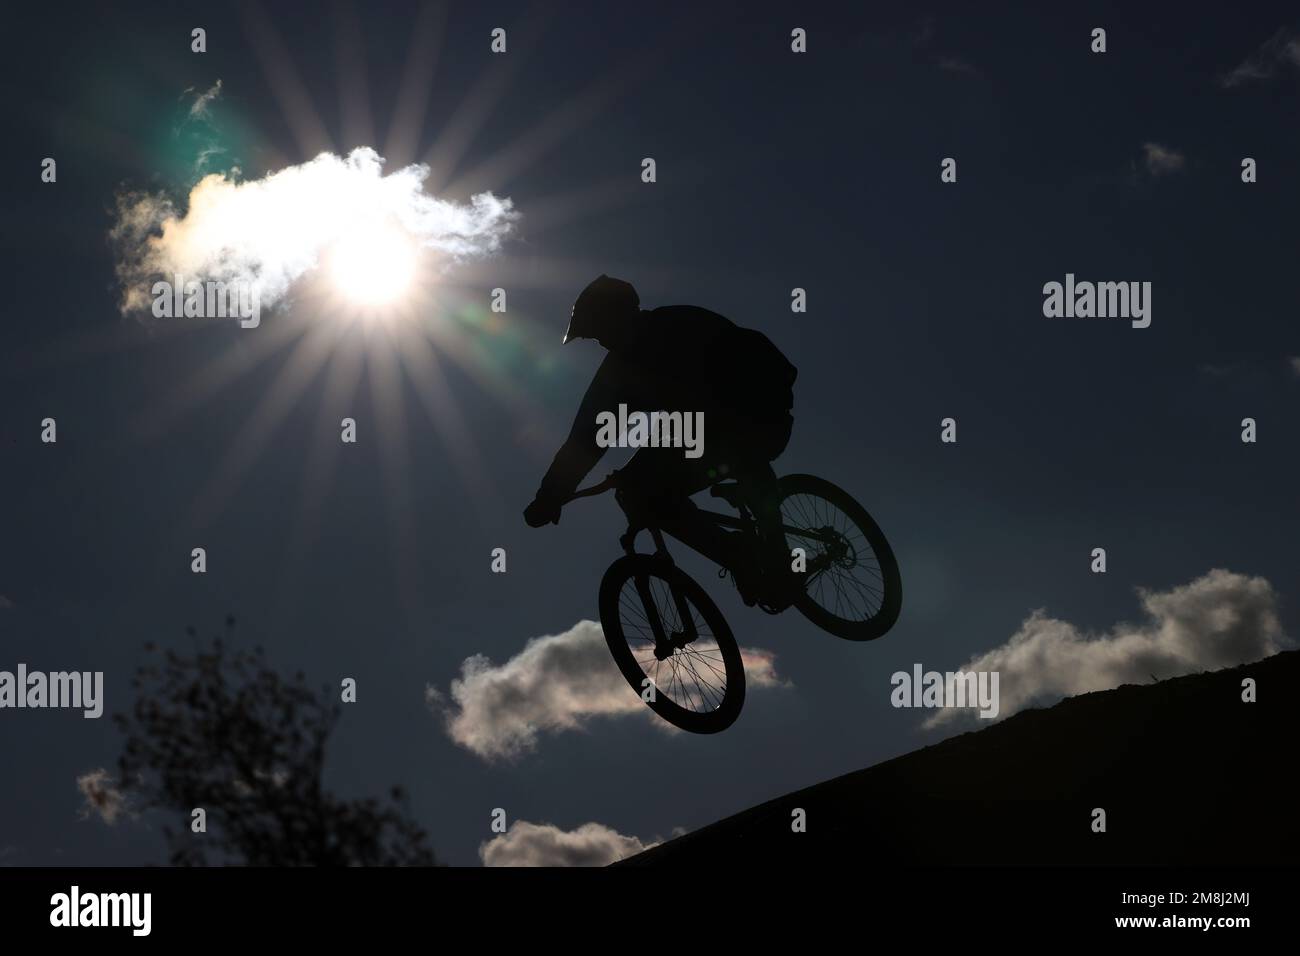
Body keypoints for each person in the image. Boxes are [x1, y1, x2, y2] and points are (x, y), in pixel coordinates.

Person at [523, 275, 799, 605]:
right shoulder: (635, 357)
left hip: (754, 416)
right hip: (735, 425)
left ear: (617, 315)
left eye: (598, 331)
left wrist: (552, 496)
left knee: (715, 453)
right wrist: (552, 494)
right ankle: (746, 555)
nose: (600, 343)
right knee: (641, 490)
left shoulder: (673, 331)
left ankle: (770, 553)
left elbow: (702, 404)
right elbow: (587, 436)